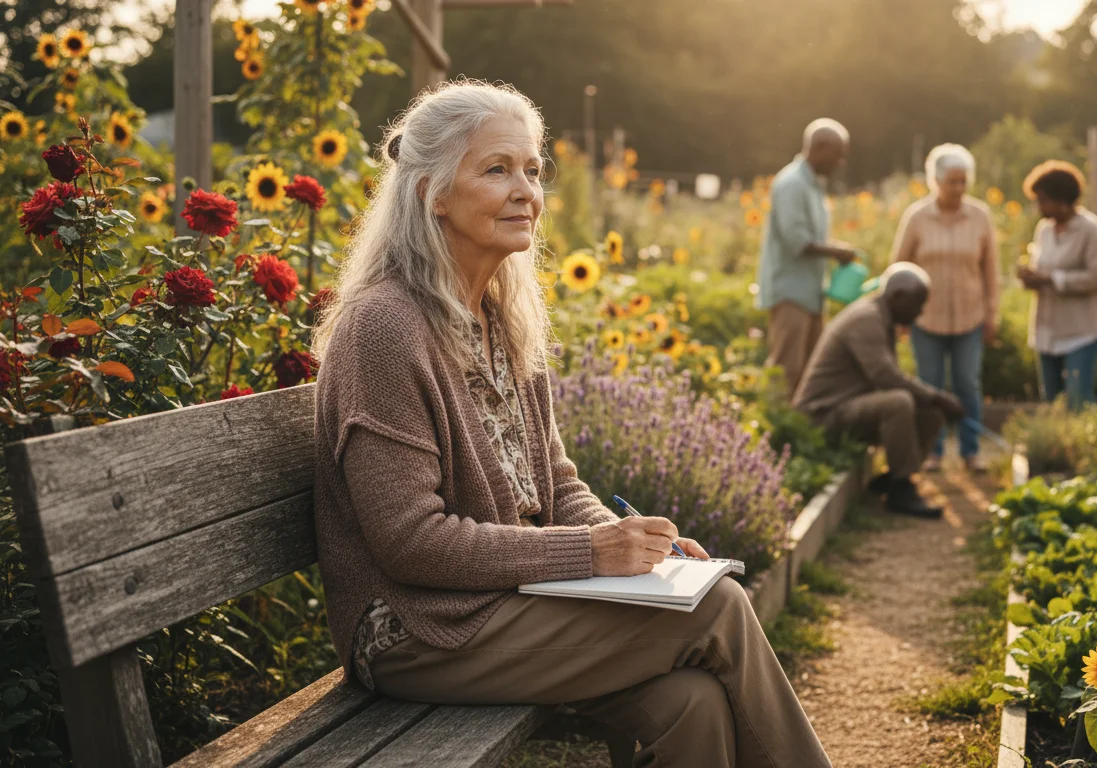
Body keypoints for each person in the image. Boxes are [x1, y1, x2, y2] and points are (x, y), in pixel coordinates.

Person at [311, 81, 830, 768]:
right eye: (496, 169)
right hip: (415, 631)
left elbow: (555, 485)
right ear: (432, 192)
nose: (526, 189)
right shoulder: (384, 328)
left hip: (504, 609)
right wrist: (592, 555)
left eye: (532, 169)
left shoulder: (500, 320)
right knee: (720, 611)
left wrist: (639, 549)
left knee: (693, 705)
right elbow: (409, 542)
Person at [792, 263, 966, 517]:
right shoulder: (866, 319)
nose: (920, 313)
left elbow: (888, 377)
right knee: (899, 402)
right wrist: (936, 395)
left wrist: (934, 401)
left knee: (931, 410)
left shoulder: (880, 317)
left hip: (848, 406)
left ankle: (897, 478)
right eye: (917, 304)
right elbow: (885, 376)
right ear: (897, 297)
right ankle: (901, 490)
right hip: (822, 416)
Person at [890, 144, 999, 473]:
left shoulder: (980, 216)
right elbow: (898, 266)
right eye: (952, 181)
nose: (958, 188)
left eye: (963, 181)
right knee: (929, 385)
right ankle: (933, 451)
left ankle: (970, 451)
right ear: (935, 181)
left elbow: (991, 271)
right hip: (927, 318)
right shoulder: (917, 217)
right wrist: (897, 315)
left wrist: (992, 313)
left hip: (970, 316)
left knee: (968, 383)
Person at [755, 118, 859, 398]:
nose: (840, 163)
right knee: (786, 369)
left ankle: (801, 434)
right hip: (790, 291)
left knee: (811, 371)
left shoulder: (813, 184)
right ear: (820, 147)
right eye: (837, 155)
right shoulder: (792, 184)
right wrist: (836, 250)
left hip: (810, 291)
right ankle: (775, 433)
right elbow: (796, 240)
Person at [1015, 160, 1097, 411]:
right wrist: (1030, 278)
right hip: (1047, 330)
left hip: (1081, 332)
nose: (1039, 207)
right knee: (1052, 404)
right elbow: (1043, 269)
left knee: (1078, 402)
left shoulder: (1090, 230)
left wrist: (1052, 279)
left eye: (1043, 200)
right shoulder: (1044, 230)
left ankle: (1084, 449)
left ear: (1063, 200)